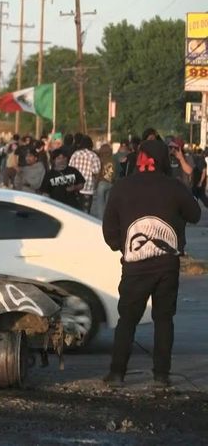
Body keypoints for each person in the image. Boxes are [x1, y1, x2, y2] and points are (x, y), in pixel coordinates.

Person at [102, 139, 201, 388]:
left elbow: (109, 230)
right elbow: (195, 215)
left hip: (134, 265)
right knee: (164, 320)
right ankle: (161, 375)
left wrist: (121, 247)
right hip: (167, 266)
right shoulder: (174, 187)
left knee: (127, 321)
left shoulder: (122, 187)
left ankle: (116, 374)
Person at [69, 135, 101, 213]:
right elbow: (96, 173)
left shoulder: (75, 154)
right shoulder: (94, 156)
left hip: (75, 187)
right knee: (85, 214)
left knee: (74, 212)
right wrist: (95, 186)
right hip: (88, 188)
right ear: (91, 145)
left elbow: (69, 170)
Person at [91, 143, 116, 219]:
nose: (102, 154)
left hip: (108, 183)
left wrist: (97, 179)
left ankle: (101, 217)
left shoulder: (110, 161)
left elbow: (108, 178)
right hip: (106, 184)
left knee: (101, 187)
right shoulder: (106, 160)